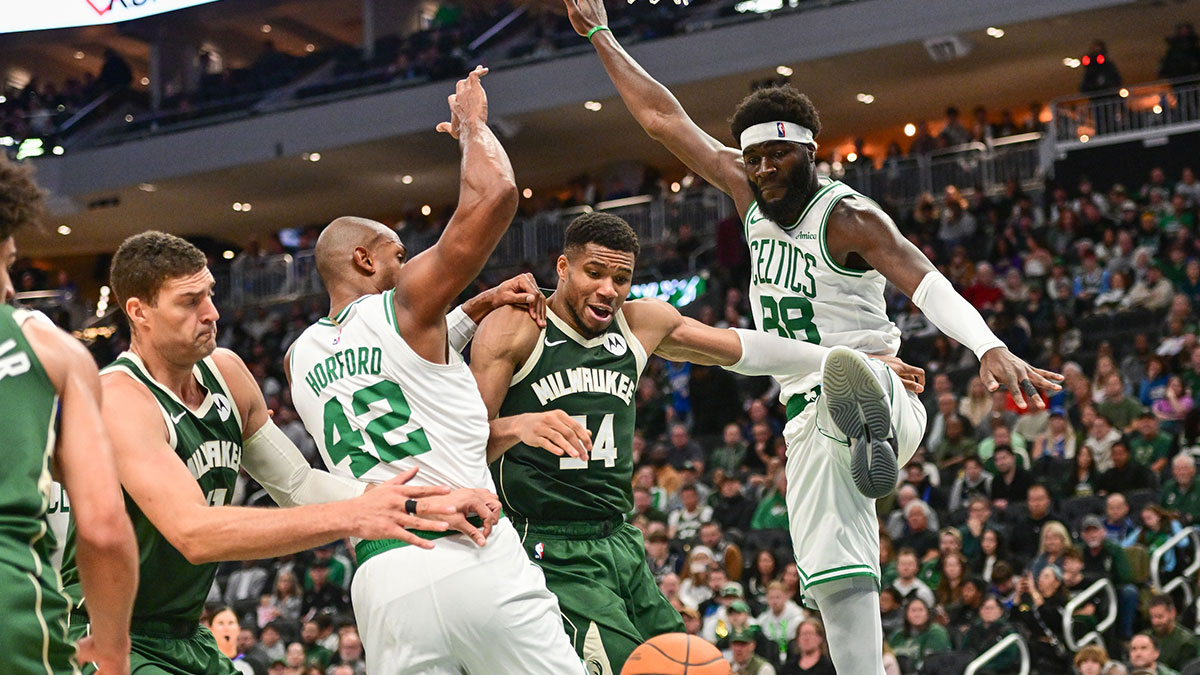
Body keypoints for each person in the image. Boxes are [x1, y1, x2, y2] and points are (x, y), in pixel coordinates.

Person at [564, 1, 1063, 672]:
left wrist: (987, 345)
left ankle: (872, 417)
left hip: (886, 388)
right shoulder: (746, 191)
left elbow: (925, 279)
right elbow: (662, 119)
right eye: (757, 157)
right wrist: (600, 33)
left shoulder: (849, 216)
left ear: (809, 151)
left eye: (779, 154)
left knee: (855, 373)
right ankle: (864, 433)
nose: (765, 167)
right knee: (837, 583)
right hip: (805, 420)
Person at [470, 212, 922, 672]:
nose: (609, 288)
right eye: (595, 273)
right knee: (629, 666)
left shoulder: (640, 324)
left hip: (620, 538)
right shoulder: (517, 325)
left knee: (691, 664)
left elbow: (741, 349)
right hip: (546, 543)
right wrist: (517, 426)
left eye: (622, 278)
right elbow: (463, 443)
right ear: (563, 268)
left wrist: (846, 360)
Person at [58, 229, 480, 675]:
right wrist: (357, 515)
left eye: (210, 295)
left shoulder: (226, 372)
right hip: (104, 636)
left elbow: (297, 484)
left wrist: (417, 503)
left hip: (184, 632)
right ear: (139, 313)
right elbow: (195, 533)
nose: (211, 313)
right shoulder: (120, 399)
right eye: (189, 302)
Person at [287, 68, 585, 675]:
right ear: (364, 258)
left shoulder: (299, 358)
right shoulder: (401, 307)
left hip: (382, 578)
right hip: (468, 546)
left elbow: (397, 372)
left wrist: (477, 306)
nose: (407, 264)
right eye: (399, 254)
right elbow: (497, 194)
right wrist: (472, 124)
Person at [0, 155, 139, 675]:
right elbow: (103, 528)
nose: (11, 286)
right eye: (7, 261)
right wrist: (112, 646)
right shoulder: (46, 347)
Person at [1147, 594, 1199, 670]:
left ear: (1172, 613)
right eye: (1152, 617)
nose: (1155, 622)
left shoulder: (1187, 642)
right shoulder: (1145, 637)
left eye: (1160, 617)